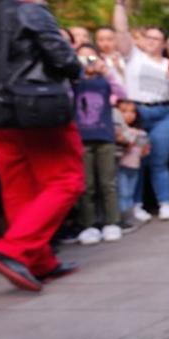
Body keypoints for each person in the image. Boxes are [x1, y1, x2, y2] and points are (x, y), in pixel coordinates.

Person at [0, 0, 85, 291]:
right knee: (66, 180)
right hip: (36, 110)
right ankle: (12, 250)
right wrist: (78, 67)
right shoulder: (32, 12)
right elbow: (64, 61)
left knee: (19, 189)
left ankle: (38, 260)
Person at [112, 0, 169, 220]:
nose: (152, 42)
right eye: (149, 37)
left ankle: (165, 202)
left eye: (157, 39)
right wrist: (119, 3)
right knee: (135, 162)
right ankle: (136, 205)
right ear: (142, 40)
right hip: (137, 113)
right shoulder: (134, 56)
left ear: (164, 43)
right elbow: (121, 31)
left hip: (164, 112)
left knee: (160, 161)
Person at [73, 44, 122, 244]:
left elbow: (122, 93)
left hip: (104, 136)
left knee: (108, 182)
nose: (88, 64)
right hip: (81, 137)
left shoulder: (105, 82)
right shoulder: (74, 81)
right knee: (87, 184)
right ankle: (89, 224)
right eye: (83, 59)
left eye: (91, 59)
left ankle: (112, 221)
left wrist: (108, 72)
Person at [114, 99, 149, 223]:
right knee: (123, 192)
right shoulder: (119, 132)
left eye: (132, 112)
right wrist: (128, 138)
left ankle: (129, 214)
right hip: (121, 166)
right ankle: (123, 216)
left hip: (135, 166)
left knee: (130, 191)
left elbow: (144, 151)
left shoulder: (140, 132)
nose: (129, 115)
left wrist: (144, 144)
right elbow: (122, 145)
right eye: (124, 111)